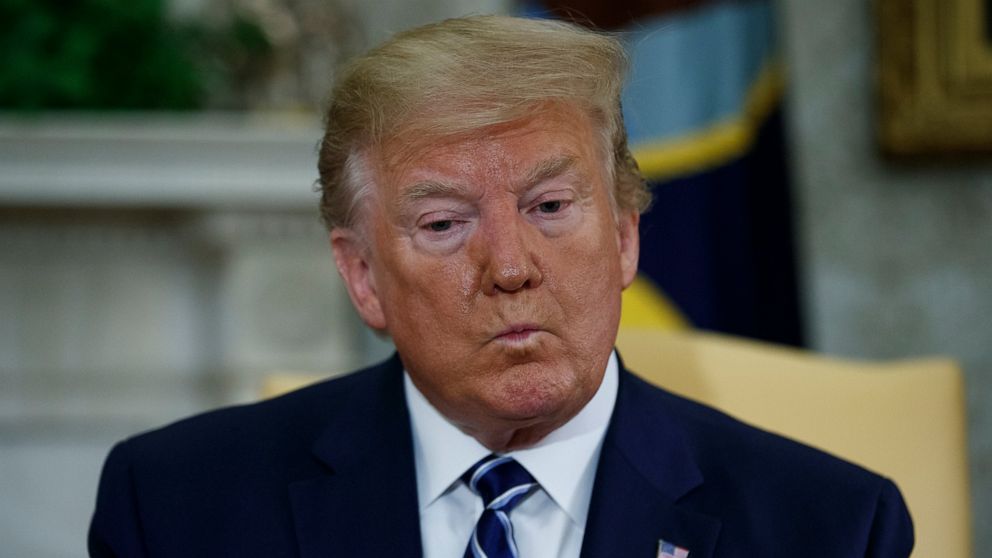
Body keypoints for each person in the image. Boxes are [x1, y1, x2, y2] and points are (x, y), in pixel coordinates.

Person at [89, 15, 913, 558]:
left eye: (551, 206)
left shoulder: (828, 528)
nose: (511, 267)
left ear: (625, 236)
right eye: (445, 225)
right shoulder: (175, 509)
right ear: (363, 276)